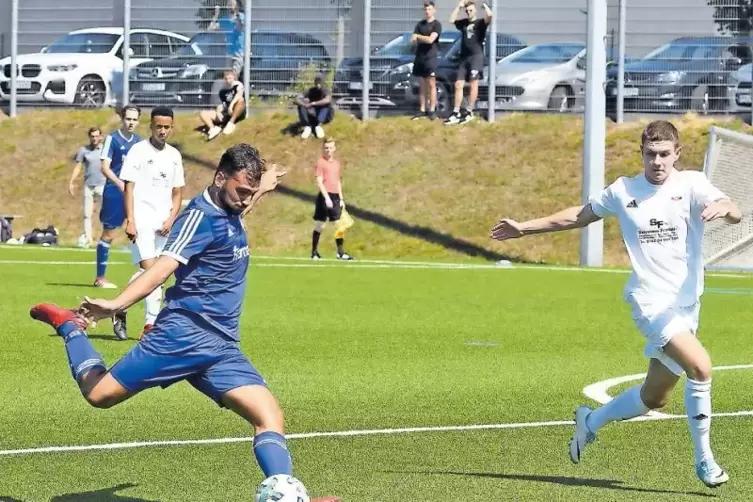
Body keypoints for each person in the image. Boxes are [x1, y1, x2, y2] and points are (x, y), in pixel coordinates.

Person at [29, 144, 339, 502]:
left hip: (221, 347)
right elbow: (161, 269)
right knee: (98, 394)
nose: (244, 200)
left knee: (269, 416)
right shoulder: (197, 217)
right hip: (181, 337)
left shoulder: (230, 204)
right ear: (220, 177)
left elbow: (236, 212)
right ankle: (69, 326)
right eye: (241, 191)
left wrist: (262, 187)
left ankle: (287, 495)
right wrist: (115, 304)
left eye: (249, 194)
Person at [489, 120, 741, 488]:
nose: (658, 162)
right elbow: (578, 215)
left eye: (665, 155)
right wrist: (524, 228)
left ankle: (590, 421)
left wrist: (723, 206)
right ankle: (705, 460)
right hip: (650, 302)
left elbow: (734, 210)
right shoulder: (623, 191)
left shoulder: (692, 184)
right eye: (651, 154)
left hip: (687, 305)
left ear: (677, 154)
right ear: (641, 153)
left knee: (655, 397)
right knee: (701, 368)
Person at [117, 106, 185, 341]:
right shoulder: (138, 151)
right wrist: (131, 219)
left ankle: (119, 307)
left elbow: (177, 193)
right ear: (151, 126)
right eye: (159, 127)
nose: (162, 131)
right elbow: (129, 188)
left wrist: (171, 218)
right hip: (142, 220)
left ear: (172, 127)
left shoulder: (174, 155)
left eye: (167, 127)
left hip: (163, 222)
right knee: (153, 271)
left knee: (155, 274)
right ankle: (150, 325)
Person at [96, 106, 142, 290]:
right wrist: (121, 184)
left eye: (134, 119)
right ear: (122, 119)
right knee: (109, 234)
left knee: (139, 232)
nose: (131, 122)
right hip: (115, 193)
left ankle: (144, 276)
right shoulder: (112, 139)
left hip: (135, 193)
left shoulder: (140, 142)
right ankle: (100, 277)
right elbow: (105, 167)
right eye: (128, 119)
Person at [445, 0, 492, 125]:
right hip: (464, 58)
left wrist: (485, 6)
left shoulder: (480, 23)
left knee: (473, 83)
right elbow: (451, 20)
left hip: (476, 57)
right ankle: (456, 112)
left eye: (471, 10)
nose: (469, 12)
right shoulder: (464, 23)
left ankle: (469, 111)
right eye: (467, 11)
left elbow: (490, 16)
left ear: (475, 10)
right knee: (458, 84)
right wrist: (459, 7)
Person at [311, 137, 353, 261]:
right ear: (323, 149)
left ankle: (340, 253)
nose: (328, 150)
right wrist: (326, 197)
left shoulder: (336, 163)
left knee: (339, 225)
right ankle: (314, 252)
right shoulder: (320, 162)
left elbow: (337, 181)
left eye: (330, 148)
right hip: (325, 196)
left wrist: (341, 198)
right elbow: (319, 181)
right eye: (326, 148)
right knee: (320, 224)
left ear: (334, 149)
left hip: (335, 196)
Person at [69, 127, 105, 248]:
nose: (95, 139)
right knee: (87, 214)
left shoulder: (105, 150)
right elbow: (78, 166)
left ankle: (104, 239)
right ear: (89, 137)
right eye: (92, 136)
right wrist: (72, 181)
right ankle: (88, 239)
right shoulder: (84, 150)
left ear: (100, 137)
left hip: (102, 184)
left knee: (104, 214)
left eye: (97, 136)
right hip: (88, 185)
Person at [410, 1, 442, 121]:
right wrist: (414, 39)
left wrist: (418, 37)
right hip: (420, 58)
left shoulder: (437, 25)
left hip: (431, 58)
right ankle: (422, 109)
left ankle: (432, 110)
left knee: (431, 84)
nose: (427, 12)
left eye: (429, 9)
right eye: (426, 10)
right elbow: (412, 39)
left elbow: (430, 40)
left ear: (434, 10)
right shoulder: (420, 25)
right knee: (422, 85)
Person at [200, 69, 246, 141]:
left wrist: (231, 105)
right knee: (203, 113)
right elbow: (220, 104)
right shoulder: (222, 91)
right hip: (226, 112)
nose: (228, 80)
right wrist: (218, 112)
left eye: (230, 78)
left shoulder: (238, 85)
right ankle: (213, 129)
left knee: (241, 100)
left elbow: (239, 95)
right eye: (226, 78)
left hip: (235, 110)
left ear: (234, 78)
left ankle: (231, 123)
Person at [208, 0, 246, 74]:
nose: (230, 4)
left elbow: (239, 28)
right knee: (228, 77)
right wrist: (216, 15)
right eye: (229, 3)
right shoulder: (224, 20)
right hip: (228, 53)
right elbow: (210, 29)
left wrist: (237, 14)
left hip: (238, 52)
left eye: (232, 3)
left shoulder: (242, 17)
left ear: (237, 5)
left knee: (234, 76)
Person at [295, 75, 334, 140]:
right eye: (316, 83)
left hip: (325, 115)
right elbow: (297, 98)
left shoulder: (326, 90)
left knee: (327, 104)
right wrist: (304, 104)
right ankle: (307, 127)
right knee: (301, 103)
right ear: (314, 83)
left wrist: (313, 103)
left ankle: (319, 126)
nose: (318, 85)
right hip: (313, 113)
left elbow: (327, 100)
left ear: (322, 83)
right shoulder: (311, 90)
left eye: (319, 83)